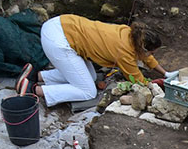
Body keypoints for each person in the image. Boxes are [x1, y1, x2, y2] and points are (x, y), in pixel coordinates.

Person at [18, 15, 172, 106]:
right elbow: (137, 79)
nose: (151, 55)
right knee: (88, 91)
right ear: (142, 48)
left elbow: (147, 57)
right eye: (151, 52)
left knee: (90, 78)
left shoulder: (129, 33)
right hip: (59, 41)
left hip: (60, 24)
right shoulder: (124, 53)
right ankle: (33, 89)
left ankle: (37, 76)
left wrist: (166, 73)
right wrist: (155, 86)